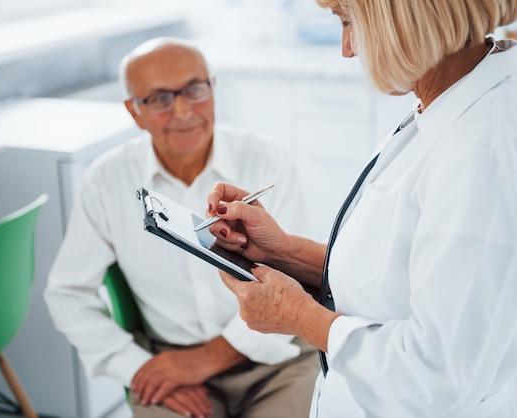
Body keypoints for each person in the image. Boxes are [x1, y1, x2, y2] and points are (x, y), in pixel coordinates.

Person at [204, 0, 517, 417]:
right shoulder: (449, 103)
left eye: (348, 21)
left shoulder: (486, 153)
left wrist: (298, 316)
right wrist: (281, 252)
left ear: (402, 15)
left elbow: (435, 376)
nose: (348, 49)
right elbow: (397, 275)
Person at [44, 37, 319, 418]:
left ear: (213, 88)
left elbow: (299, 278)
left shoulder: (267, 160)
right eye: (159, 98)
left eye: (193, 90)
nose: (183, 111)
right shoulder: (105, 181)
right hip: (171, 369)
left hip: (278, 358)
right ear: (134, 111)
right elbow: (67, 294)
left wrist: (206, 359)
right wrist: (135, 366)